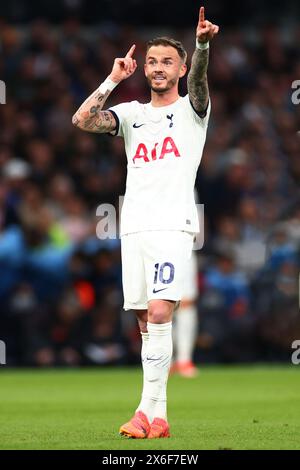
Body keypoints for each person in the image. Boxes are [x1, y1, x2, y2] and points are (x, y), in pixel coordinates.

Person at [72, 5, 219, 439]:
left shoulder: (195, 109)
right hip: (132, 228)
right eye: (152, 61)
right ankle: (159, 416)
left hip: (172, 227)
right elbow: (81, 120)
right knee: (144, 322)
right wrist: (114, 78)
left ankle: (141, 410)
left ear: (181, 67)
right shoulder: (133, 113)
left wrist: (203, 45)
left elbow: (199, 81)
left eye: (166, 61)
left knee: (159, 313)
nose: (158, 68)